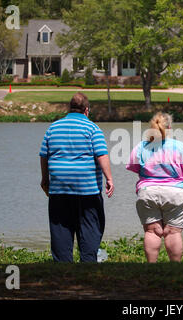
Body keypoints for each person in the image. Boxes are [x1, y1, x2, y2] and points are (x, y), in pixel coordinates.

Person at [39, 92, 114, 263]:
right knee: (90, 227)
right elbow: (101, 154)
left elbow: (44, 155)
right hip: (88, 190)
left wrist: (45, 179)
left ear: (69, 108)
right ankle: (88, 264)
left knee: (61, 229)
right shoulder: (92, 128)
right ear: (87, 110)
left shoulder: (53, 128)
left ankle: (63, 268)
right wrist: (109, 178)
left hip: (59, 189)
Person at [126, 112, 183, 262]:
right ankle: (175, 269)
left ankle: (152, 267)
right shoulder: (180, 147)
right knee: (173, 232)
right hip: (177, 192)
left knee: (152, 232)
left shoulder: (142, 146)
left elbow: (133, 167)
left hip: (148, 192)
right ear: (170, 128)